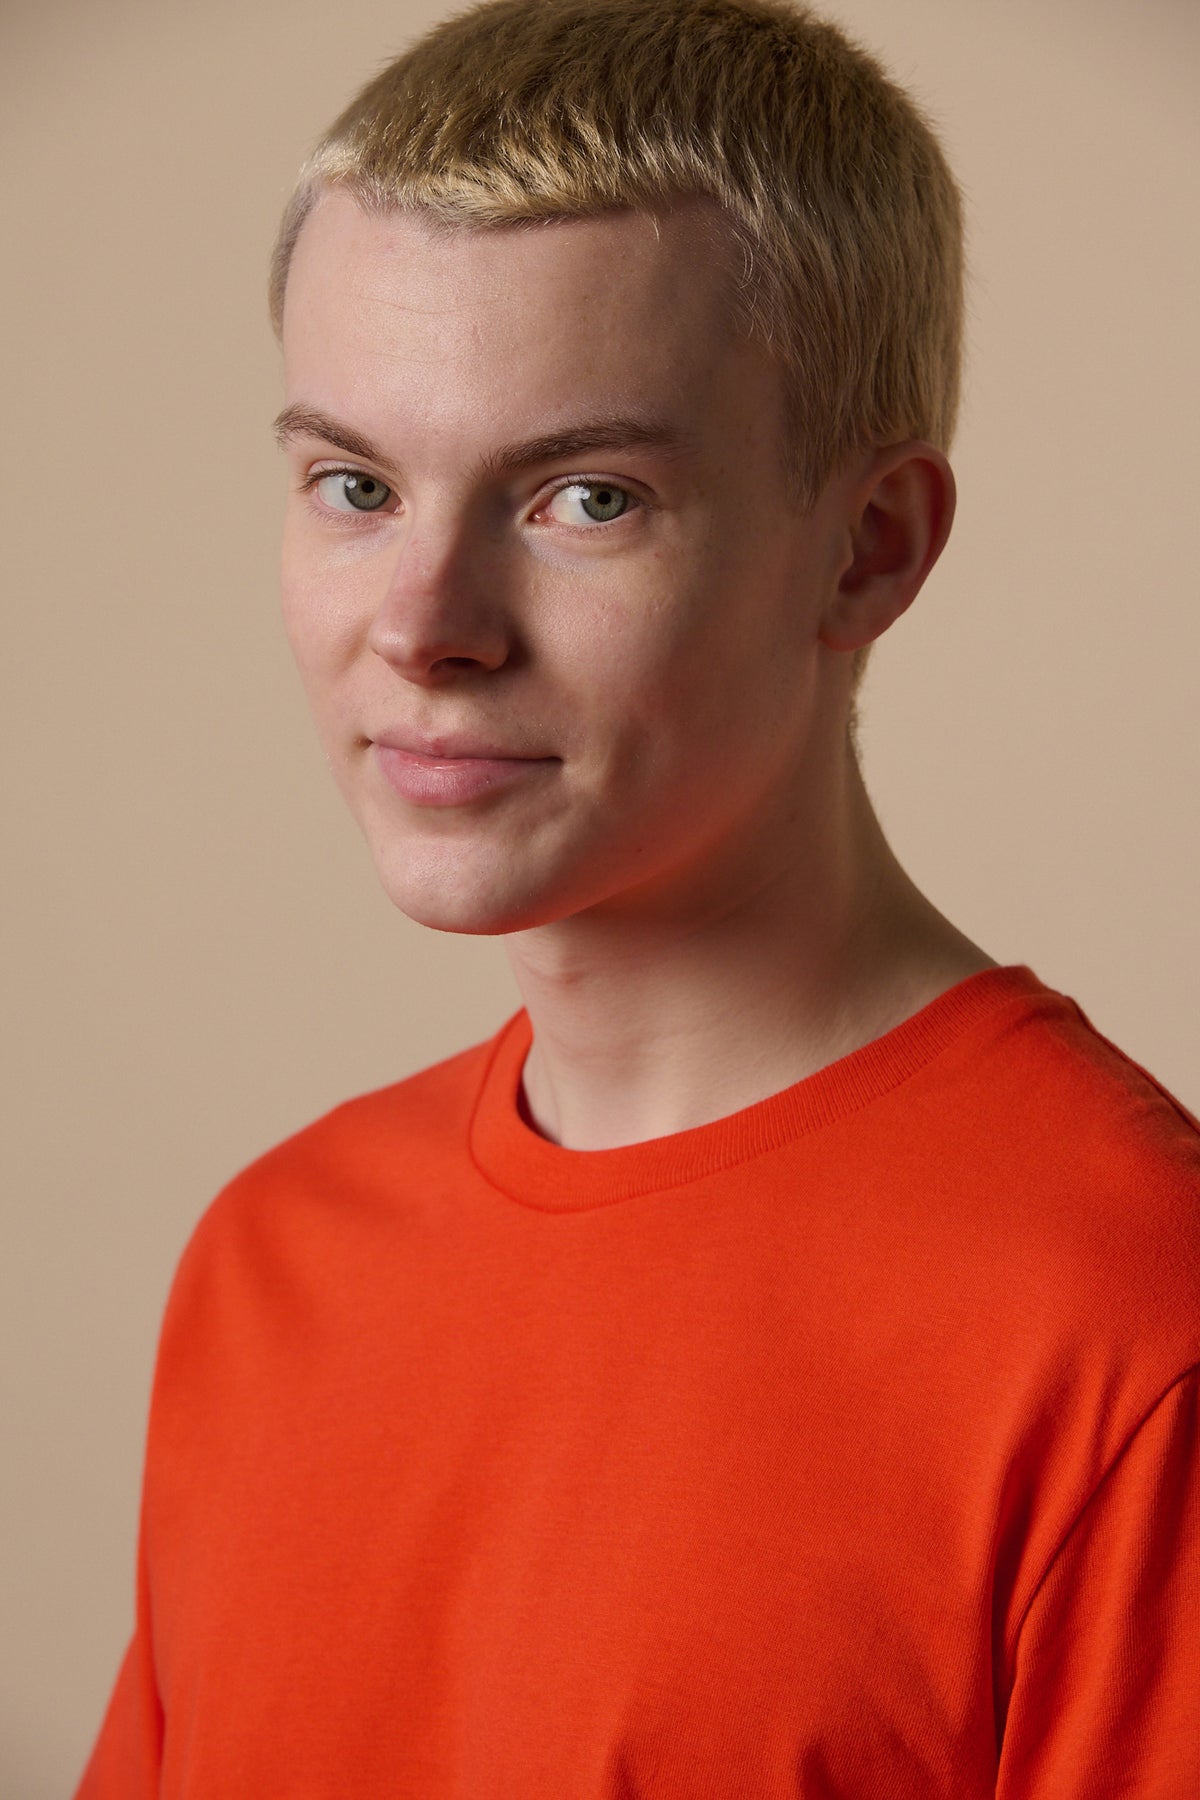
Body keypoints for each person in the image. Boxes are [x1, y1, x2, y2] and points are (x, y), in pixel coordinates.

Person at [76, 0, 1199, 1793]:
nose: (426, 625)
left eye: (585, 497)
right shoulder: (269, 1264)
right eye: (354, 485)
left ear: (869, 547)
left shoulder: (1130, 1319)